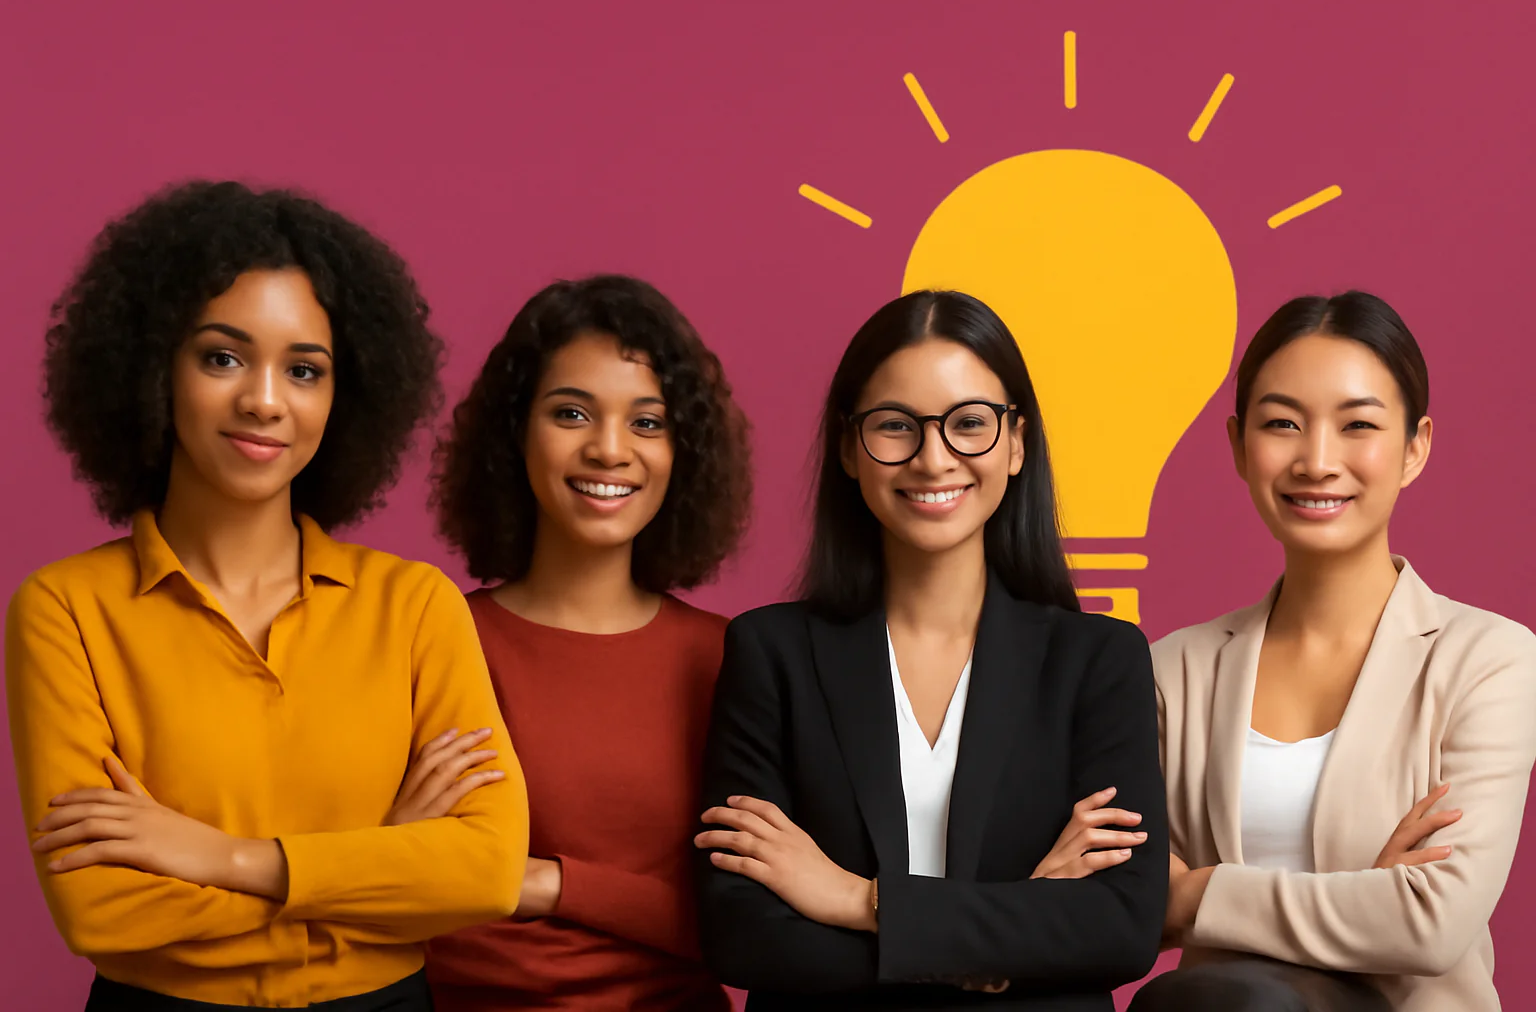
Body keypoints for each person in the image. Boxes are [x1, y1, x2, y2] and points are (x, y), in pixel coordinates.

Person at [6, 180, 530, 1011]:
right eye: (222, 356)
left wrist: (223, 858)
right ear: (153, 368)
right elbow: (100, 911)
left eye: (306, 369)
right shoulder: (64, 609)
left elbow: (489, 874)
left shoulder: (416, 605)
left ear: (343, 396)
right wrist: (379, 864)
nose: (264, 399)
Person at [693, 290, 1168, 1010]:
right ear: (851, 448)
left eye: (969, 424)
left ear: (1017, 444)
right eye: (895, 427)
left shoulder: (1098, 661)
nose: (933, 457)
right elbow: (744, 932)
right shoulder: (772, 653)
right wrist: (1003, 935)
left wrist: (857, 899)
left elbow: (1120, 928)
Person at [1132, 292, 1536, 1012]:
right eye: (1282, 424)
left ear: (1415, 447)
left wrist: (1199, 890)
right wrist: (1363, 896)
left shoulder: (1491, 662)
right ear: (1237, 444)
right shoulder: (1173, 671)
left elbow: (1430, 925)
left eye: (1358, 426)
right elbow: (1123, 906)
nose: (1317, 461)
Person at [424, 275, 753, 1011]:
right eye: (571, 413)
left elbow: (751, 925)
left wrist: (543, 882)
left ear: (683, 450)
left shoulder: (728, 659)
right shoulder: (433, 635)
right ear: (516, 432)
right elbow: (392, 888)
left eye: (646, 422)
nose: (608, 450)